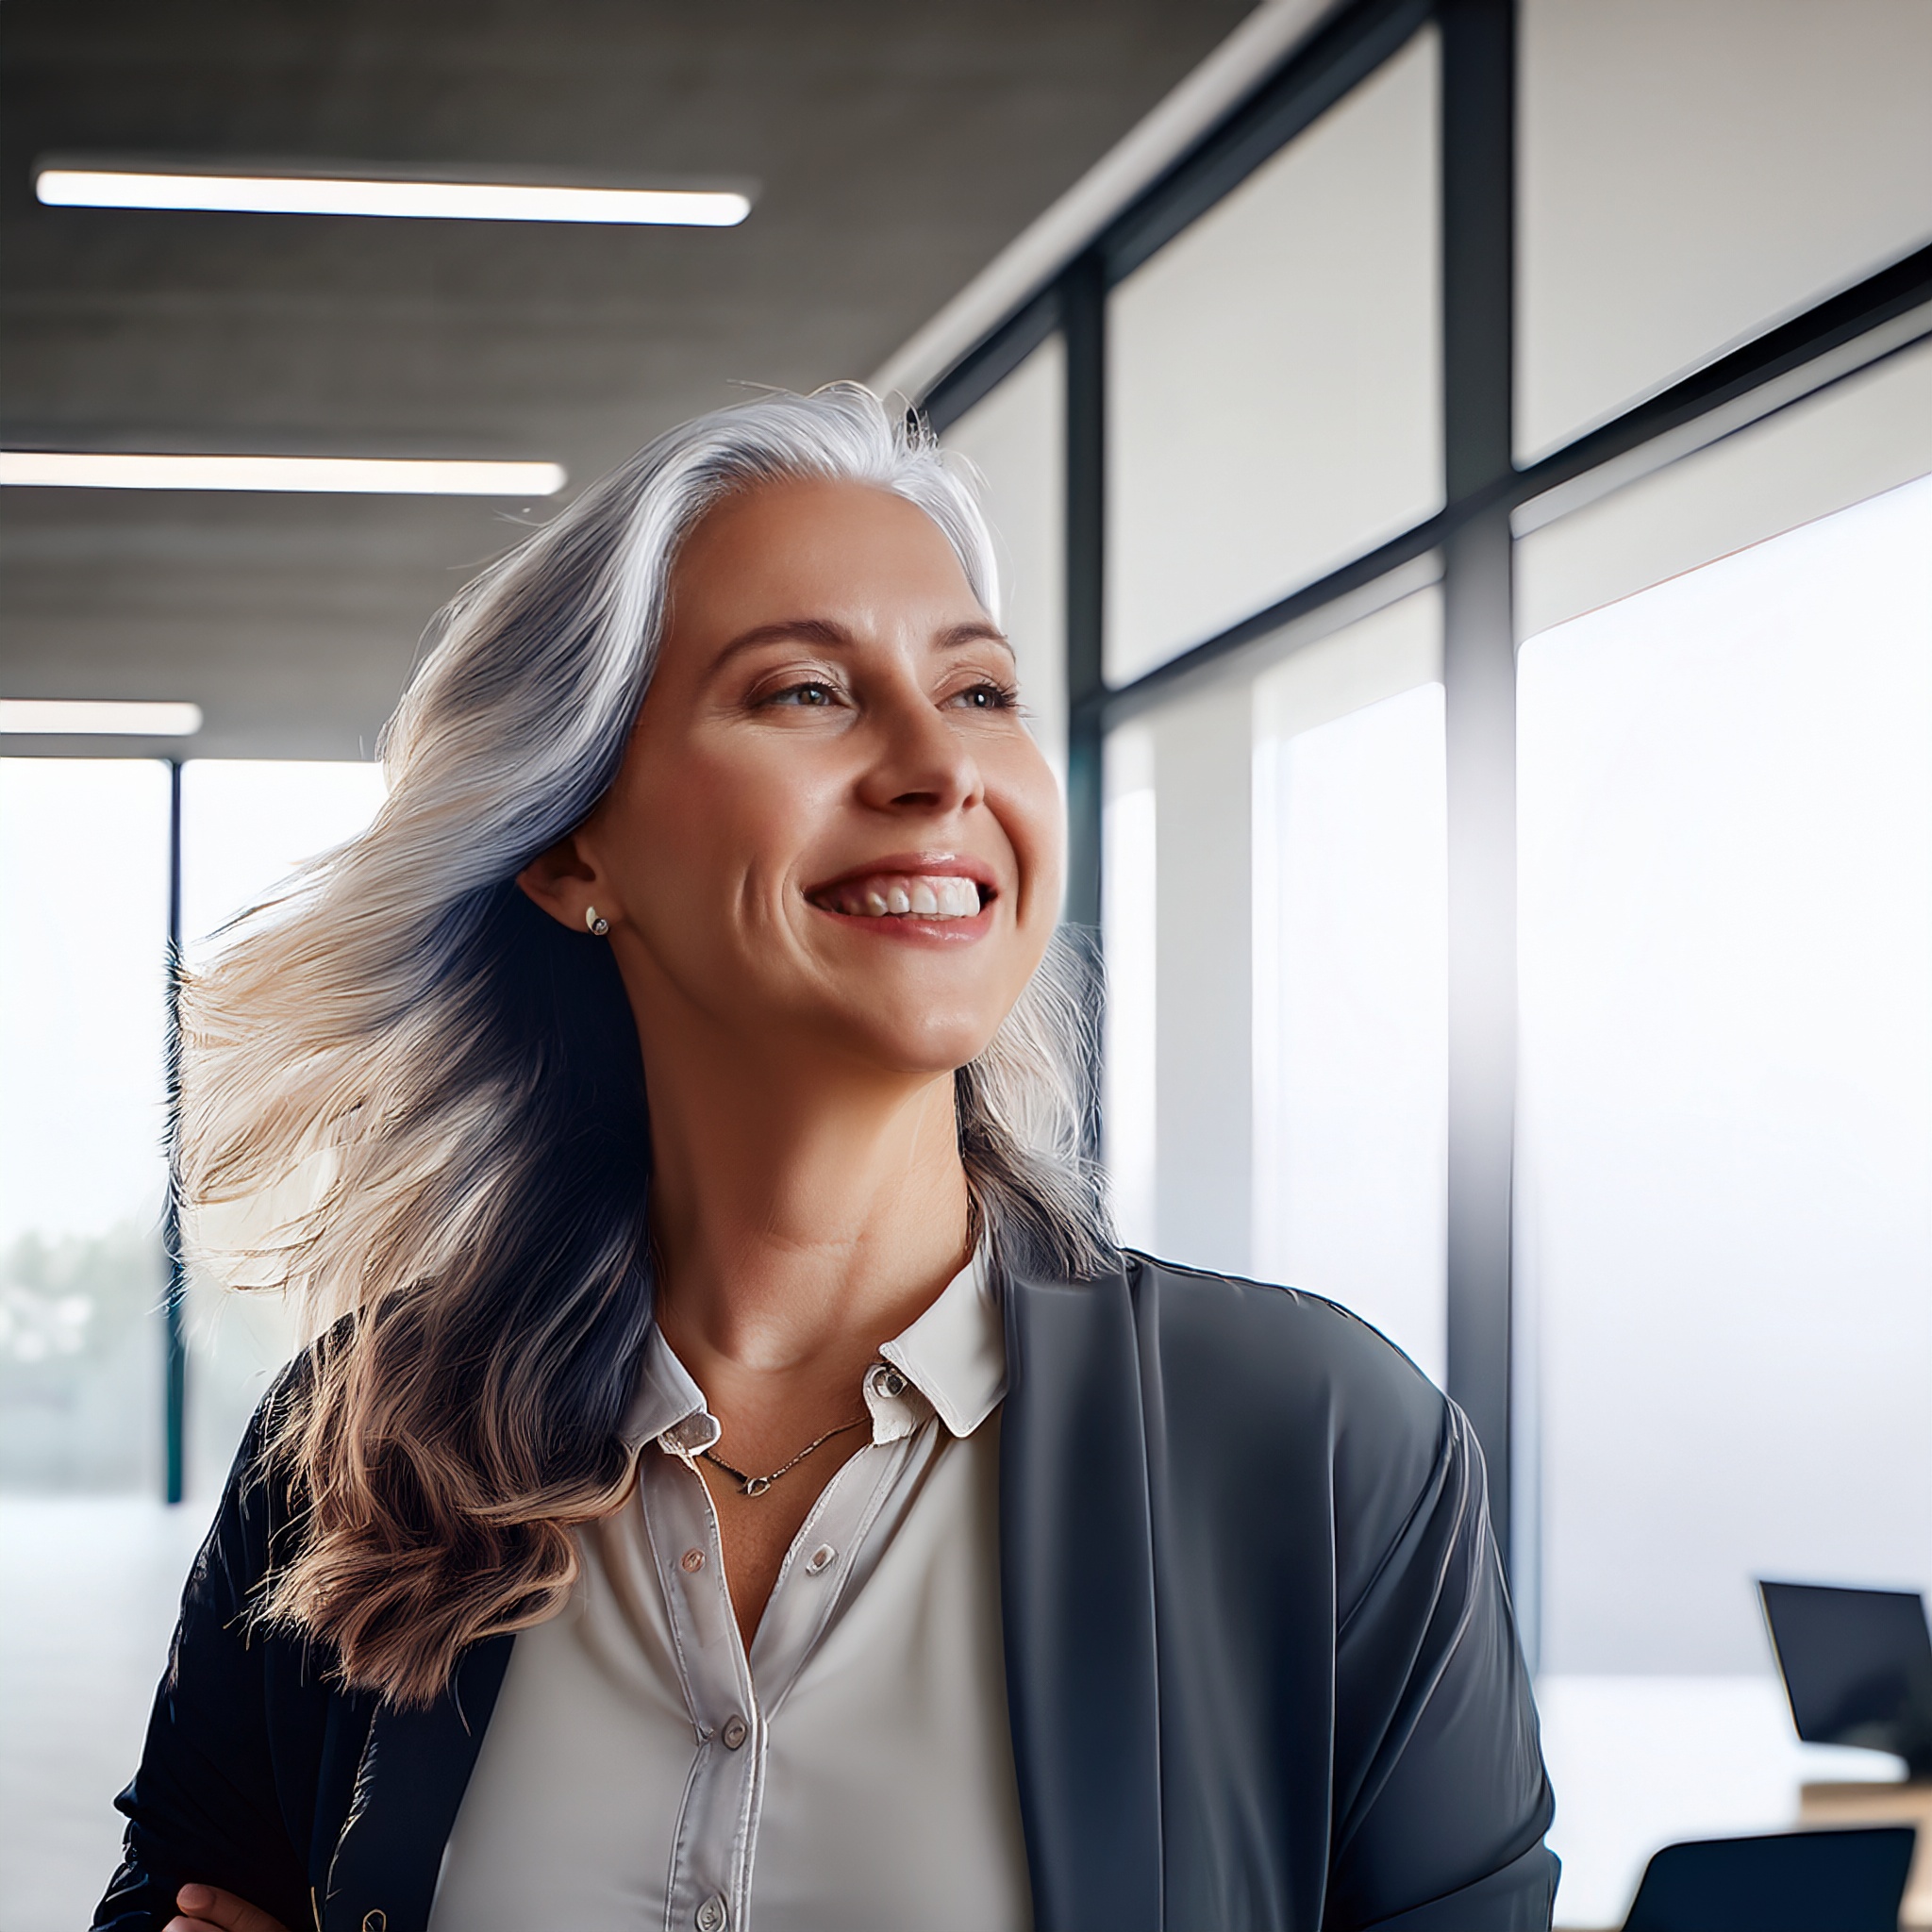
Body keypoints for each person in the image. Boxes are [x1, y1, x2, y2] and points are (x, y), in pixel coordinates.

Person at [96, 384, 1556, 1932]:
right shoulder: (359, 1446)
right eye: (805, 691)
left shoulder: (1323, 1448)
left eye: (980, 691)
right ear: (574, 845)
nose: (940, 767)